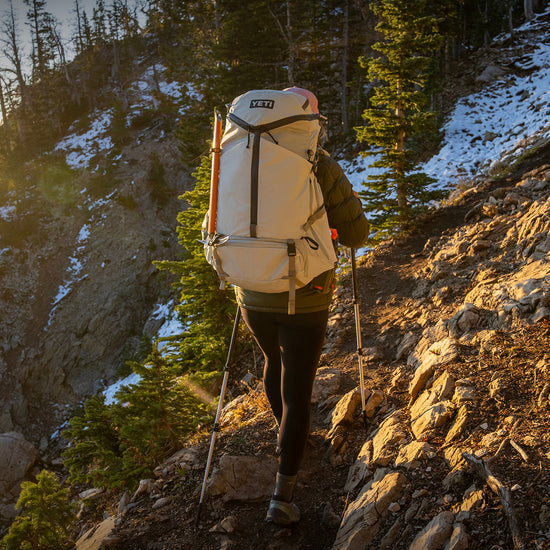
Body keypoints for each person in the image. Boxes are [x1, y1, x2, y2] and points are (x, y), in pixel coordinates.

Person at [234, 87, 369, 526]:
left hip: (251, 291)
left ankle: (287, 437)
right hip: (304, 294)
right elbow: (356, 234)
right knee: (299, 389)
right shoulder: (317, 162)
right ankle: (283, 496)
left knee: (273, 362)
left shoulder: (239, 156)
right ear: (309, 122)